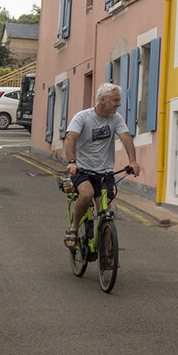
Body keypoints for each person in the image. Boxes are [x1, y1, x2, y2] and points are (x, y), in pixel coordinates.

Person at [63, 83, 139, 249]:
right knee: (86, 194)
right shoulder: (83, 117)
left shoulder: (116, 118)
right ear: (103, 100)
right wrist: (71, 162)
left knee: (106, 213)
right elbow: (70, 138)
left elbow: (126, 138)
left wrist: (132, 161)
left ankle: (106, 254)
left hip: (105, 172)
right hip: (82, 169)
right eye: (115, 100)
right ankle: (74, 227)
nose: (119, 104)